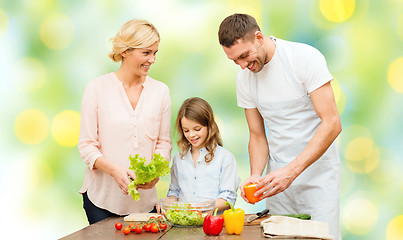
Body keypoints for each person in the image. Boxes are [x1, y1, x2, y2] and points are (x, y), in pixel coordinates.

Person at [218, 13, 342, 239]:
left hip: (318, 180)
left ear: (258, 37)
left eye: (244, 56)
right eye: (235, 60)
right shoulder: (244, 79)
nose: (243, 65)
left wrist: (291, 172)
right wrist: (256, 175)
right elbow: (257, 135)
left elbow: (332, 123)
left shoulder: (304, 58)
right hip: (277, 184)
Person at [78, 19, 172, 224]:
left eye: (155, 52)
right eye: (146, 53)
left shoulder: (161, 92)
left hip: (145, 203)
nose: (152, 59)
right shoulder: (97, 88)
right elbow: (86, 145)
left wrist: (154, 174)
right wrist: (114, 171)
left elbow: (164, 143)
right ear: (125, 52)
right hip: (101, 200)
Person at [167, 97, 240, 212]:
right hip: (185, 224)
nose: (191, 135)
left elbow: (228, 197)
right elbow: (174, 192)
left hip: (214, 224)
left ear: (209, 126)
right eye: (186, 130)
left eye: (197, 129)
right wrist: (168, 204)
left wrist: (202, 208)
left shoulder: (225, 157)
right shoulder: (178, 159)